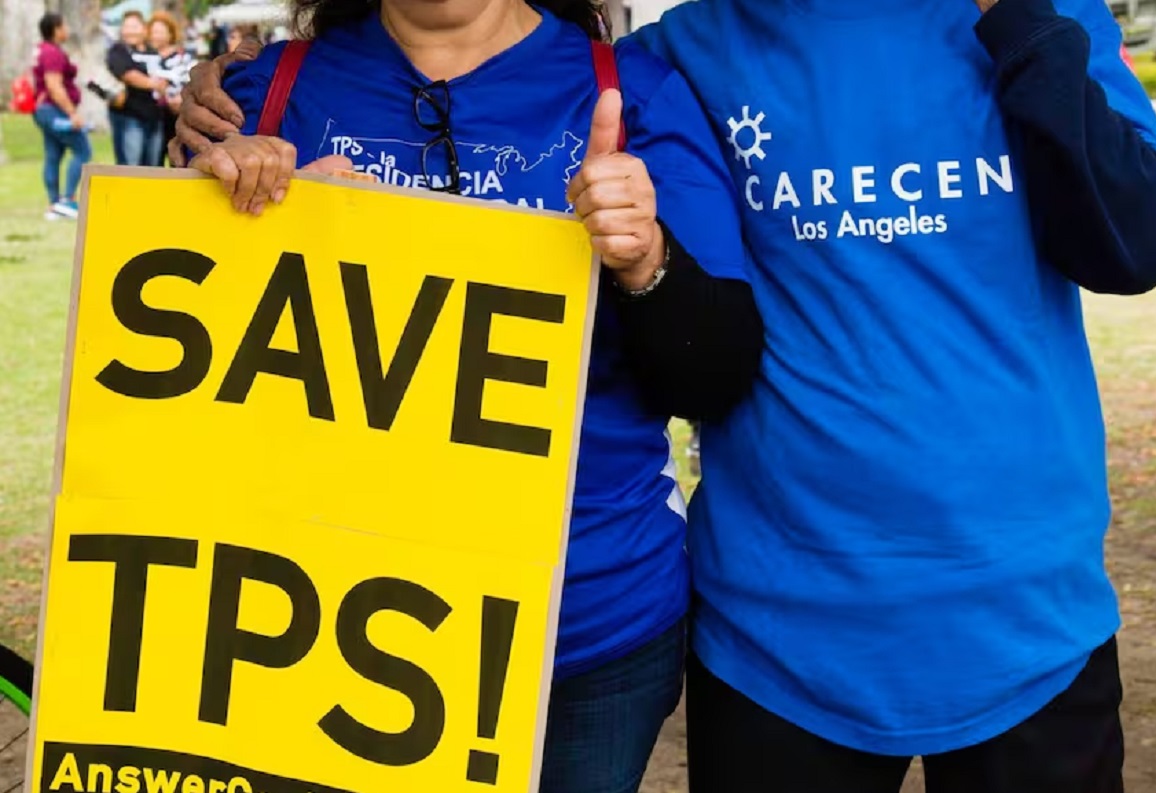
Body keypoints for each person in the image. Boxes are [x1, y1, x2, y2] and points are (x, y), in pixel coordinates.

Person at [171, 0, 1156, 789]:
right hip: (775, 633)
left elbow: (1133, 247)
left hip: (1026, 615)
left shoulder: (1041, 17)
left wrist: (1018, 19)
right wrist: (215, 114)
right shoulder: (687, 53)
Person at [171, 2, 763, 792]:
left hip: (578, 640)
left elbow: (715, 377)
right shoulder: (261, 91)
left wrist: (645, 258)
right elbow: (174, 365)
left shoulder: (635, 94)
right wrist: (239, 223)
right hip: (304, 624)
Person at [31, 12, 91, 221]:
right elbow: (54, 86)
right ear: (56, 29)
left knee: (53, 154)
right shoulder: (52, 53)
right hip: (53, 110)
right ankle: (67, 200)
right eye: (64, 26)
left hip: (44, 110)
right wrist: (72, 113)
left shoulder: (42, 49)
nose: (67, 30)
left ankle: (54, 204)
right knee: (82, 150)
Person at [106, 11, 168, 166]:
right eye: (126, 27)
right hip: (129, 116)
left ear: (144, 29)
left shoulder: (154, 52)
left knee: (153, 166)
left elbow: (166, 76)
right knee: (131, 166)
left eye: (134, 27)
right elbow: (128, 75)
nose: (129, 31)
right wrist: (153, 83)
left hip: (155, 117)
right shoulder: (118, 50)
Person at [148, 11, 193, 165]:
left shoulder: (182, 56)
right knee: (153, 160)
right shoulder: (146, 55)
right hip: (152, 114)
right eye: (153, 32)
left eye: (160, 32)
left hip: (175, 114)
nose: (156, 36)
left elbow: (190, 81)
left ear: (170, 33)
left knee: (177, 158)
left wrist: (180, 98)